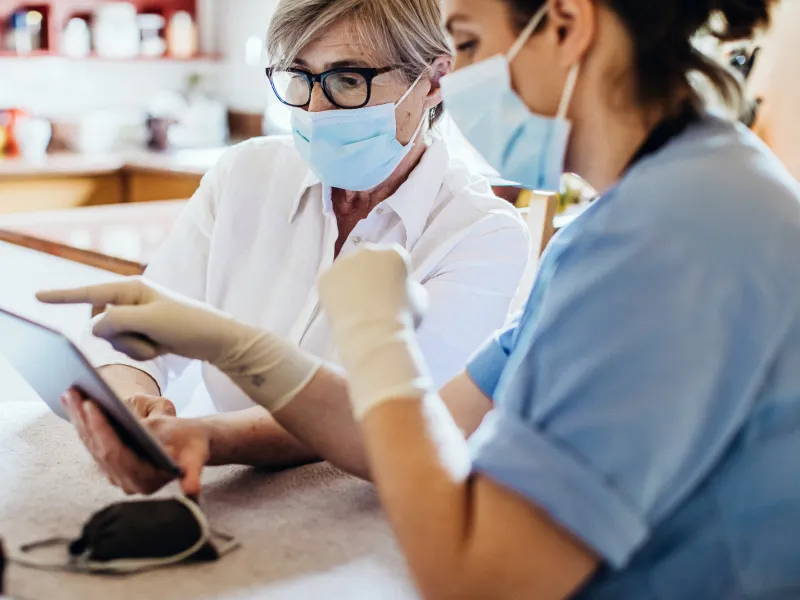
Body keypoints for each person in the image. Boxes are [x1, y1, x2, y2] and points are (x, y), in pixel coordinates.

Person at [38, 0, 800, 599]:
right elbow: (430, 424)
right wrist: (245, 352)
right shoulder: (628, 216)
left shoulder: (676, 237)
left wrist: (378, 340)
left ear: (564, 24)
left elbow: (481, 579)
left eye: (466, 43)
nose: (459, 82)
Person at [76, 0, 529, 461]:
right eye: (300, 76)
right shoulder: (245, 175)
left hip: (361, 501)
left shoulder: (482, 235)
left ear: (433, 81)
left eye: (347, 80)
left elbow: (385, 416)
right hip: (220, 474)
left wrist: (210, 437)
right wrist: (128, 397)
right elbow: (144, 335)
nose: (315, 109)